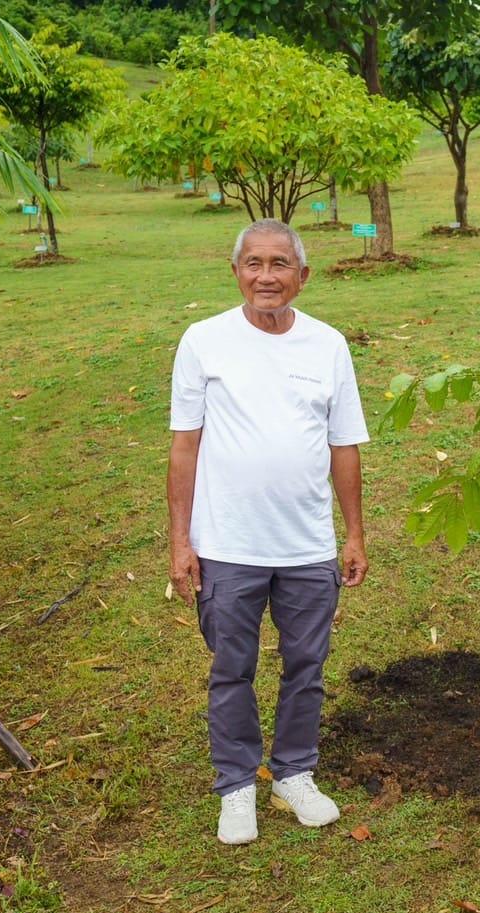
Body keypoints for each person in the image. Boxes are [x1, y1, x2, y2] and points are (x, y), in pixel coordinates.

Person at [167, 219, 369, 845]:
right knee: (233, 665)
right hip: (228, 543)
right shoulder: (204, 342)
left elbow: (344, 446)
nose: (266, 276)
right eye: (253, 263)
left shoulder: (328, 346)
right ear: (236, 272)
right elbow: (184, 448)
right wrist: (180, 541)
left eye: (280, 264)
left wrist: (354, 534)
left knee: (306, 664)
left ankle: (294, 772)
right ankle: (235, 785)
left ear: (302, 277)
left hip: (307, 543)